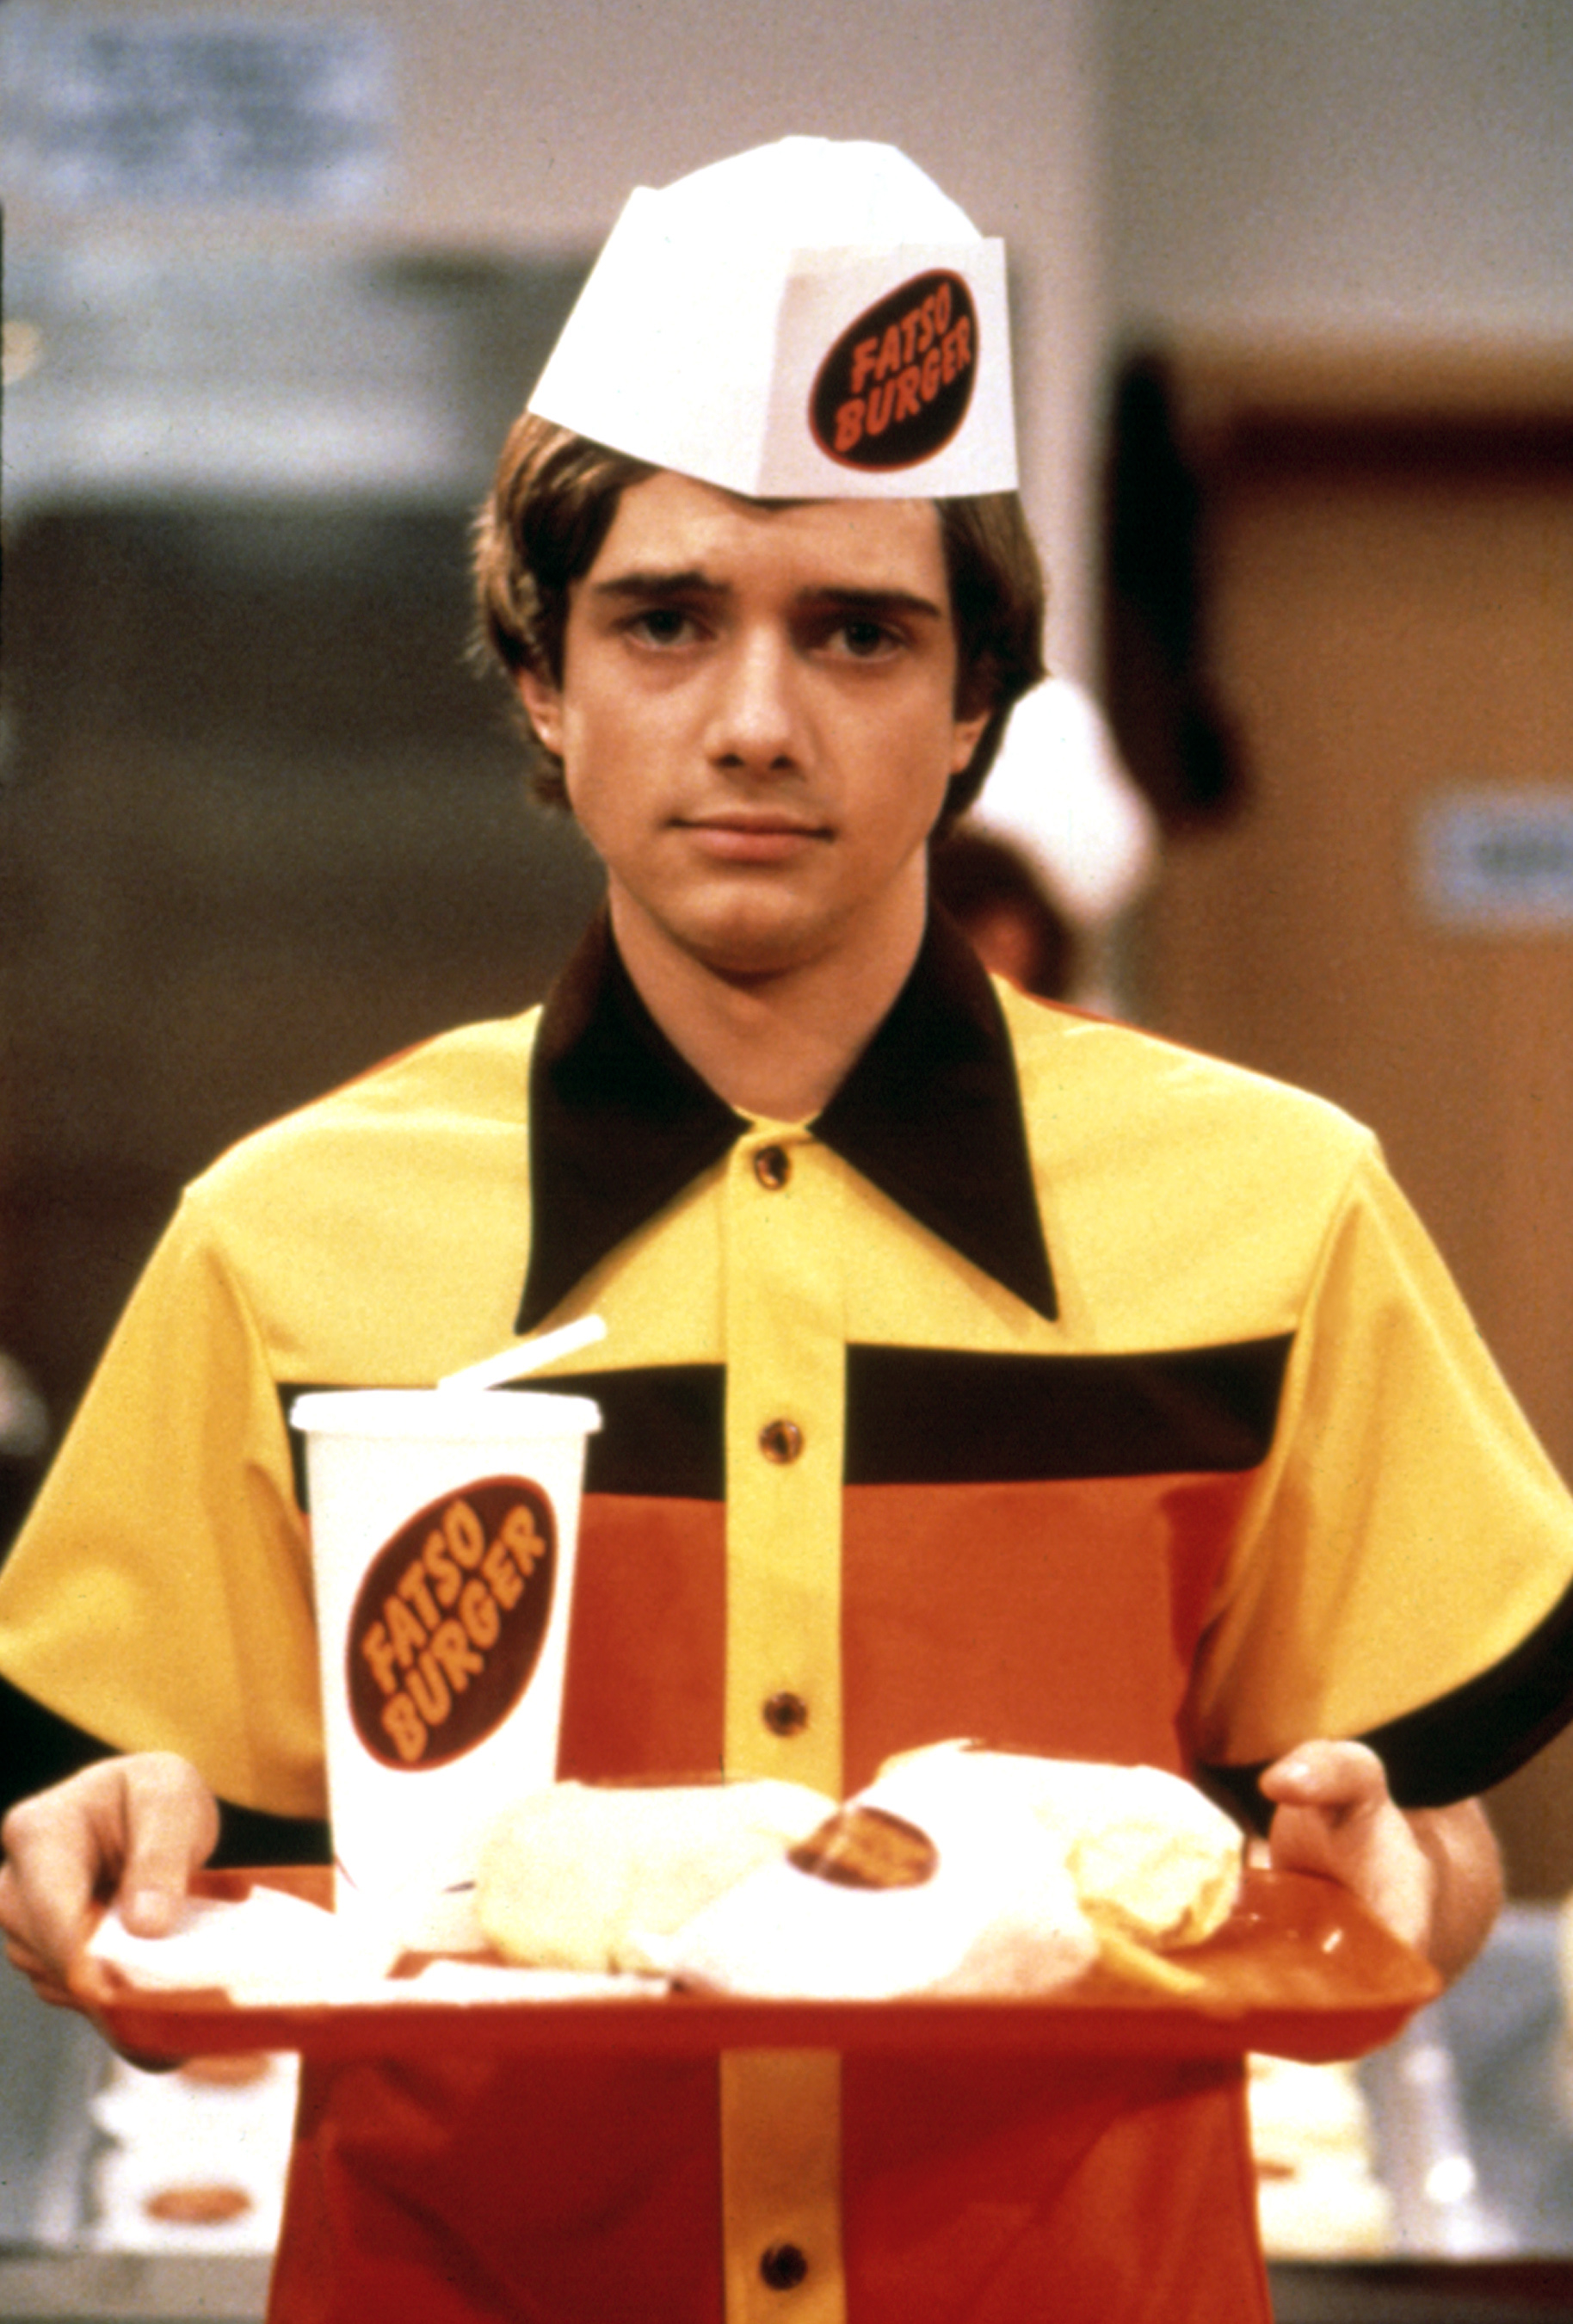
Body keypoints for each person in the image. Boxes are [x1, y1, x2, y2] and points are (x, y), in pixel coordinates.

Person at [2, 135, 1572, 2324]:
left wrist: (1391, 1873)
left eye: (856, 632)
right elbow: (168, 1862)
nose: (754, 720)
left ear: (967, 715)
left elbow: (1412, 1864)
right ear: (544, 679)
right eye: (663, 620)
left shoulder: (1277, 1214)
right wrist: (112, 1860)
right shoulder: (284, 1239)